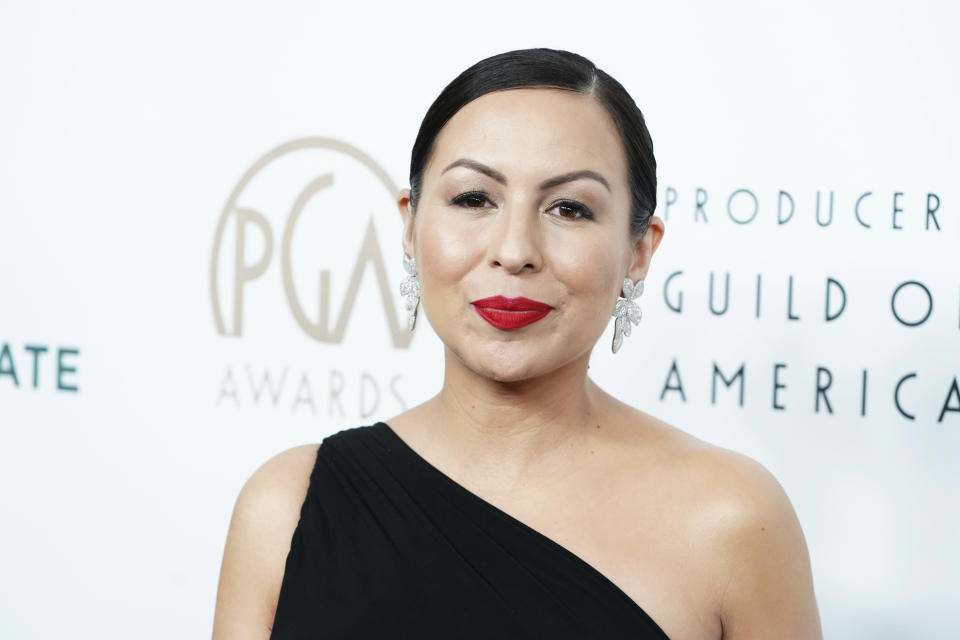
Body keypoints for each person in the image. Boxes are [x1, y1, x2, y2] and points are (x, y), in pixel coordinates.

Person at [212, 48, 822, 639]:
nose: (514, 251)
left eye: (569, 208)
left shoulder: (732, 521)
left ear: (639, 251)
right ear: (410, 223)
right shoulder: (287, 507)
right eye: (474, 199)